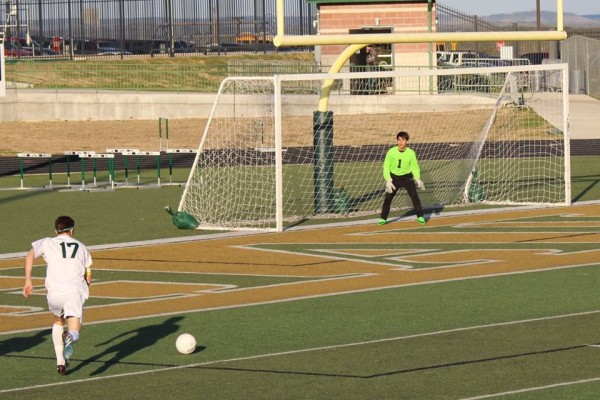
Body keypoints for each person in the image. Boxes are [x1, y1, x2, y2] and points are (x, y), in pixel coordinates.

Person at [23, 216, 92, 375]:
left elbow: (30, 256)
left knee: (58, 321)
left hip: (54, 293)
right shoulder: (81, 247)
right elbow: (88, 276)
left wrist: (28, 280)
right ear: (72, 231)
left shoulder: (47, 242)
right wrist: (86, 282)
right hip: (73, 291)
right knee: (75, 324)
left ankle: (60, 361)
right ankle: (72, 336)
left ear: (56, 231)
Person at [378, 131, 426, 225]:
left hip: (407, 178)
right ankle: (383, 218)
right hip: (394, 179)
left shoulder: (411, 153)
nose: (400, 142)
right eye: (399, 140)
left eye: (403, 140)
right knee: (388, 198)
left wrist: (417, 178)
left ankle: (420, 216)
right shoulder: (391, 152)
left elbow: (414, 167)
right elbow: (386, 166)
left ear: (406, 141)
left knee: (414, 196)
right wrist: (388, 179)